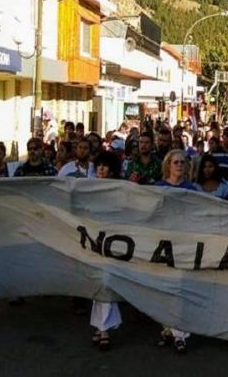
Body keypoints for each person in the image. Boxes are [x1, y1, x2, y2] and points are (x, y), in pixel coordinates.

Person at [155, 149, 197, 353]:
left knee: (181, 287)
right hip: (163, 242)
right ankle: (166, 328)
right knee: (163, 287)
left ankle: (180, 333)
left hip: (185, 243)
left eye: (182, 162)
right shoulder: (158, 188)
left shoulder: (192, 189)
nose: (179, 165)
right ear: (168, 165)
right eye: (175, 162)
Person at [89, 150, 123, 351]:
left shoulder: (119, 189)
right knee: (98, 284)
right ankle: (101, 326)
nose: (101, 168)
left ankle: (103, 329)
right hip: (93, 241)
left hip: (113, 242)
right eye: (98, 165)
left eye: (105, 165)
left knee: (107, 282)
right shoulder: (88, 188)